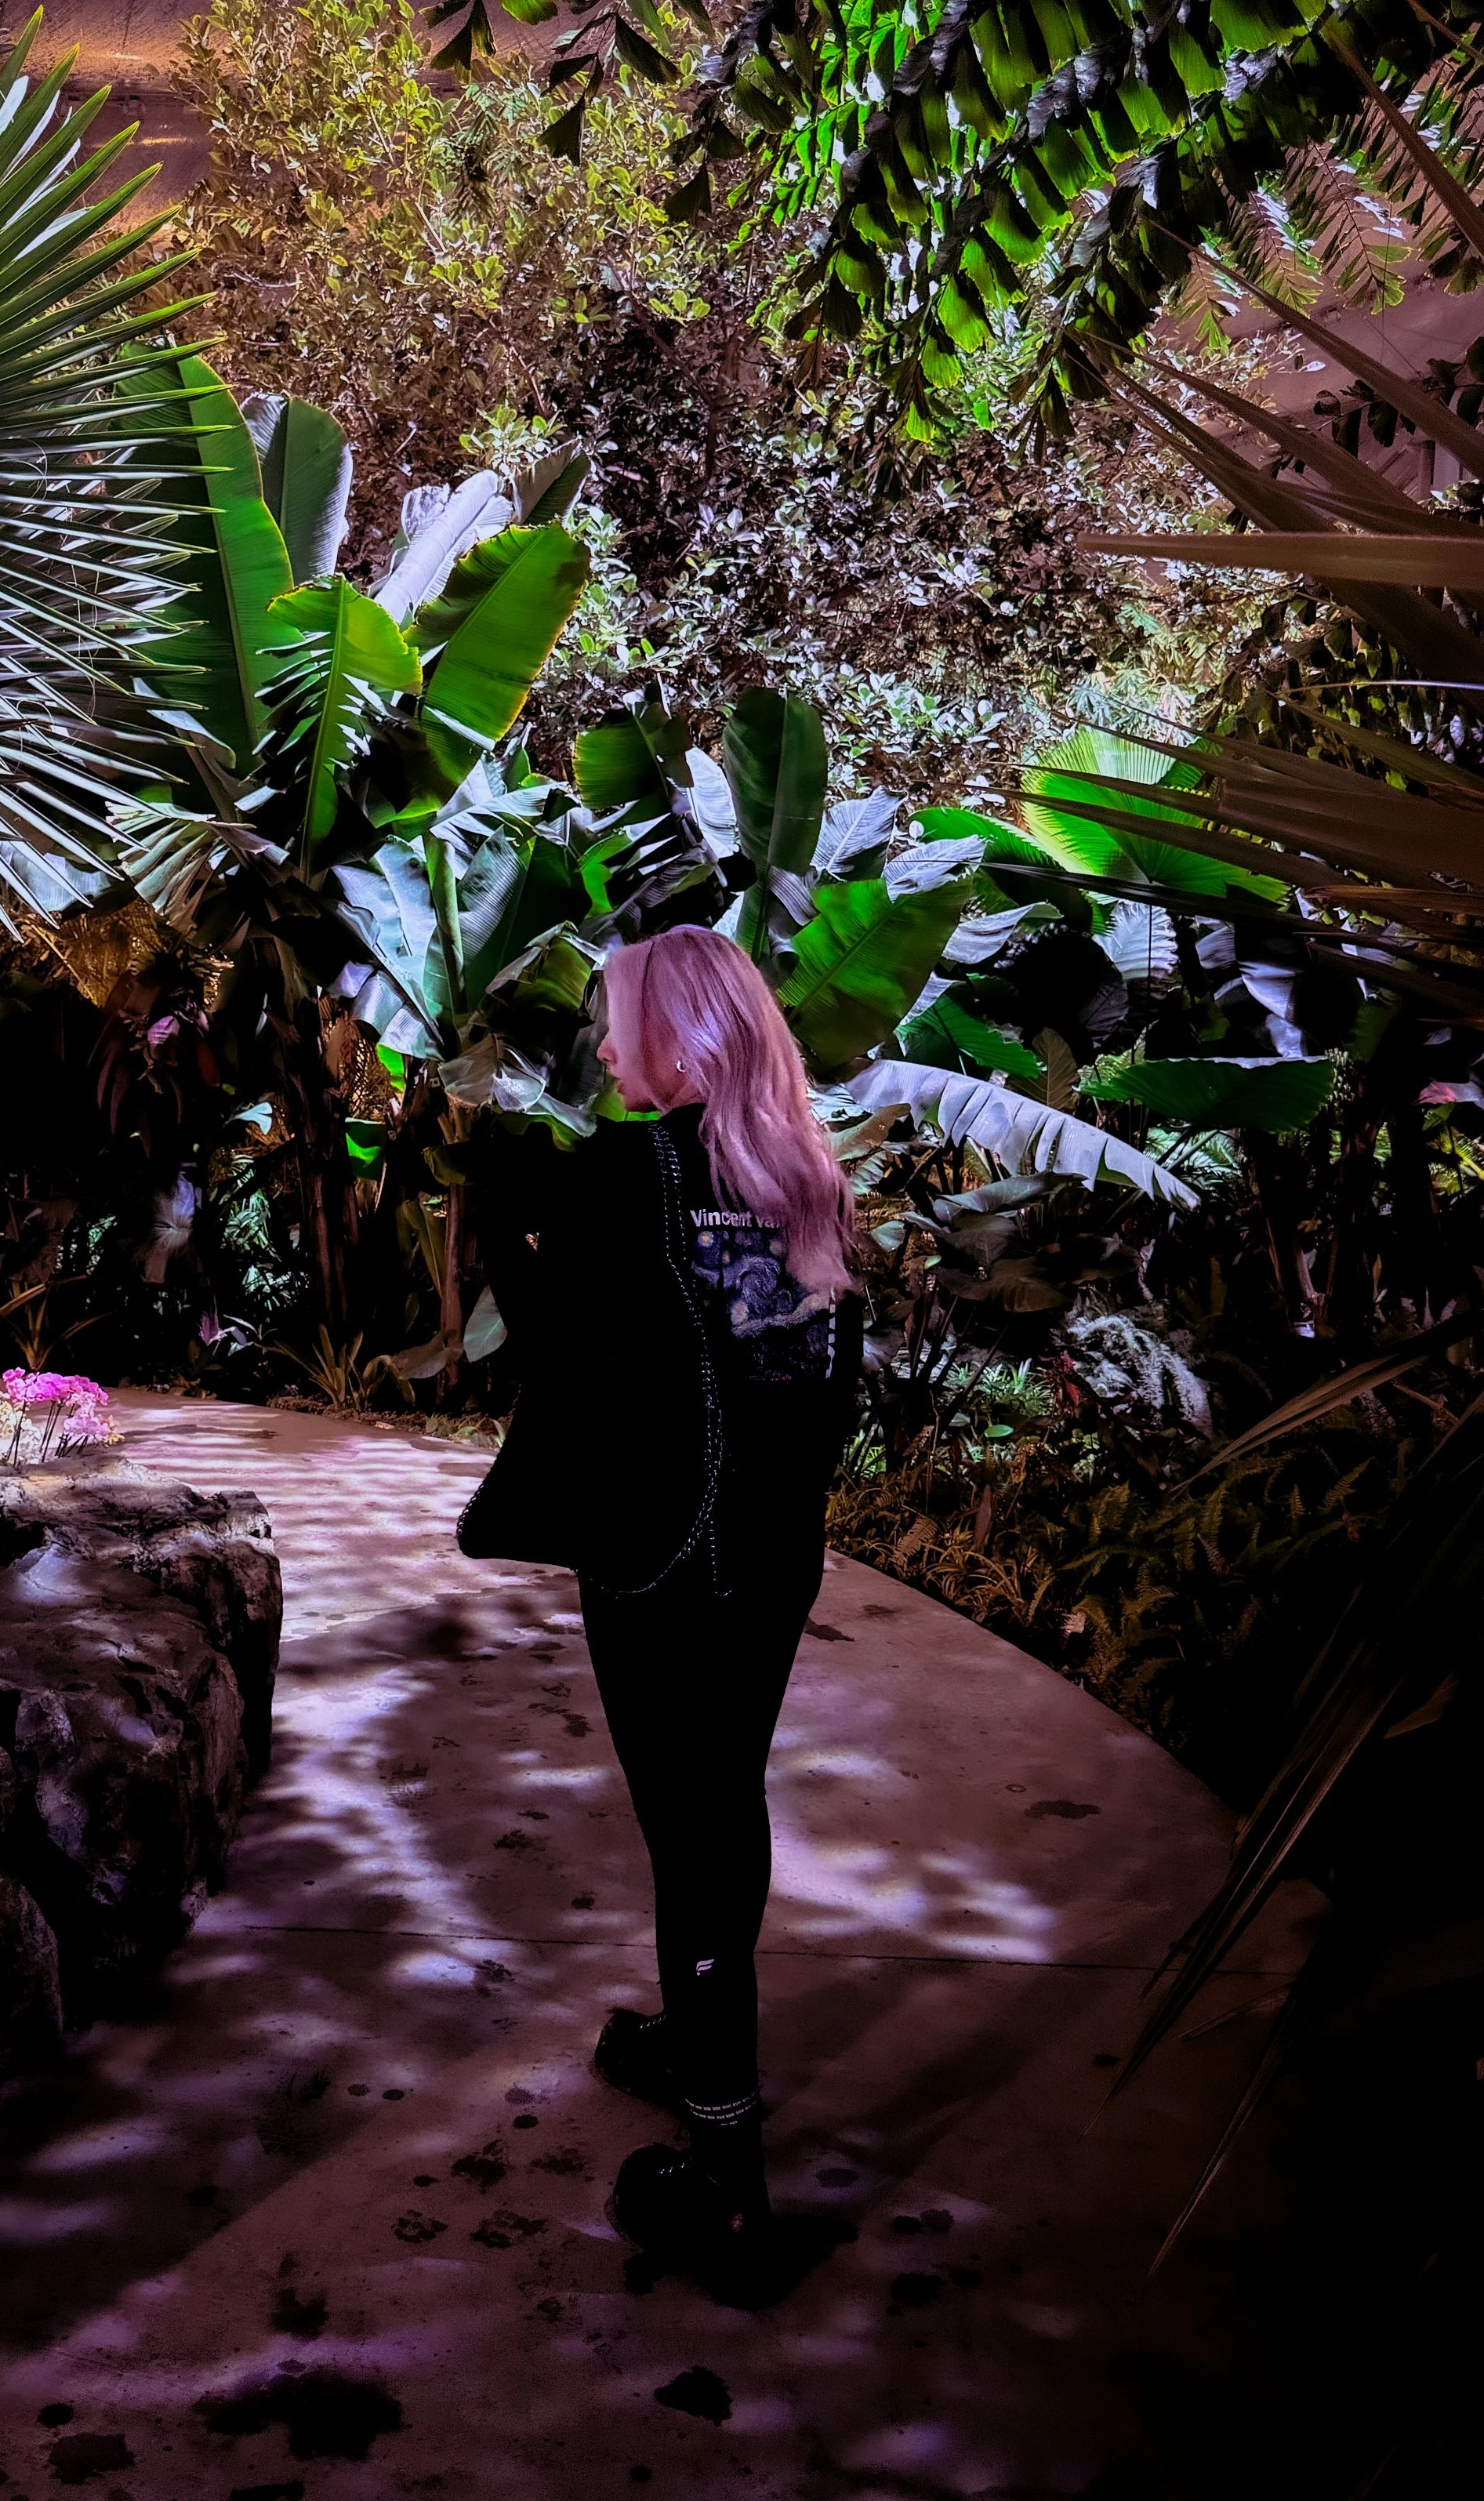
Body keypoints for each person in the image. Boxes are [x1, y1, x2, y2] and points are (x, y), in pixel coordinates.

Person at [459, 924, 863, 2291]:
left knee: (687, 1825)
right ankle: (702, 2053)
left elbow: (556, 1354)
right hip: (769, 1558)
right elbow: (816, 1393)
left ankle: (726, 2172)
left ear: (676, 1041)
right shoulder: (807, 1182)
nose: (606, 1040)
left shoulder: (630, 1171)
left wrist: (497, 1203)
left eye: (619, 1016)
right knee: (724, 1800)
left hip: (659, 1560)